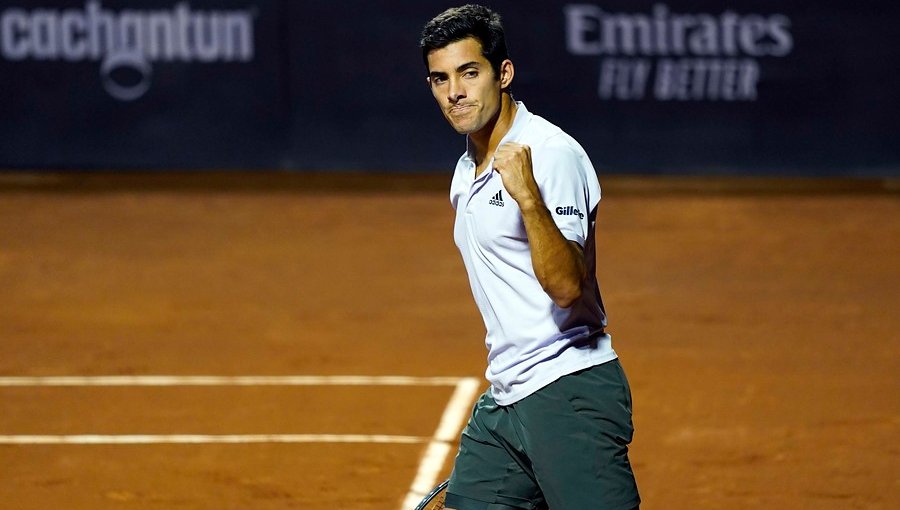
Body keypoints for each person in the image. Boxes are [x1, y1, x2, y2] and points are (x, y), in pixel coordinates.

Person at [419, 5, 640, 509]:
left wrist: (527, 197)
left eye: (469, 73)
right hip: (507, 397)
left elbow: (567, 287)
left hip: (569, 391)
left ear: (504, 74)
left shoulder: (551, 153)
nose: (454, 91)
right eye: (440, 79)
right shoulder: (466, 168)